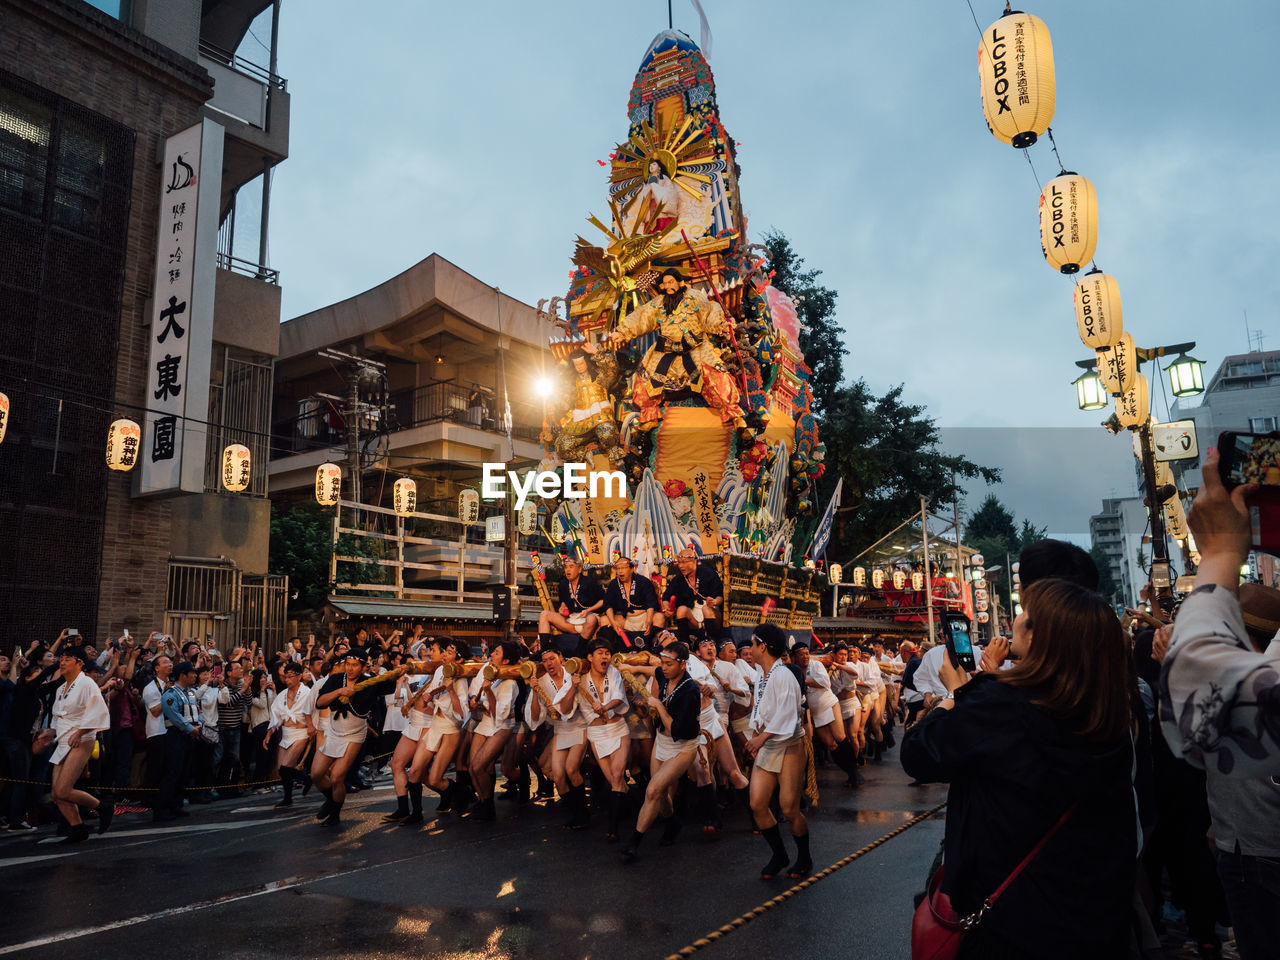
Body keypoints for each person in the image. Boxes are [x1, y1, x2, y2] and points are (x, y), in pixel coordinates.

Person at [901, 579, 1138, 959]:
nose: (1014, 619)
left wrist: (954, 695)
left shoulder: (1004, 704)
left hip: (1011, 916)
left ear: (1041, 636)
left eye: (1025, 613)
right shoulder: (1105, 706)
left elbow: (918, 755)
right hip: (1094, 907)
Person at [606, 269, 742, 430]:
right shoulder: (659, 302)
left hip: (695, 347)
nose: (668, 286)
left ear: (680, 282)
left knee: (716, 376)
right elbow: (643, 316)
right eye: (665, 283)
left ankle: (734, 415)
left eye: (671, 282)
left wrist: (721, 325)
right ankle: (649, 416)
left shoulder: (695, 297)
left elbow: (710, 314)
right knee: (644, 379)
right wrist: (623, 331)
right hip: (667, 350)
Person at [620, 641, 702, 862]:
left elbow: (676, 729)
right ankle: (673, 822)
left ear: (682, 665)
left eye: (668, 664)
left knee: (653, 790)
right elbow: (653, 669)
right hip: (662, 743)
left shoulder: (690, 691)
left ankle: (633, 843)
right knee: (662, 794)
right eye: (663, 663)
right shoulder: (663, 672)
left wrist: (659, 706)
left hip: (683, 746)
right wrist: (631, 668)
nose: (663, 668)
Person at [746, 624, 809, 879]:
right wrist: (755, 735)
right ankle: (780, 854)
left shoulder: (783, 675)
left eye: (752, 644)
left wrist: (760, 739)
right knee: (758, 803)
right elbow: (761, 710)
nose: (750, 649)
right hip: (768, 740)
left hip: (789, 743)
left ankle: (804, 857)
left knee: (789, 807)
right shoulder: (762, 674)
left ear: (763, 646)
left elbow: (788, 714)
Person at [49, 647, 113, 843]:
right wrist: (48, 733)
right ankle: (77, 828)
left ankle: (102, 806)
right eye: (62, 658)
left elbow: (98, 711)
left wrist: (81, 731)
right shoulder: (61, 688)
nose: (63, 662)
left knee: (63, 790)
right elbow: (58, 717)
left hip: (81, 739)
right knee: (56, 793)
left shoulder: (86, 683)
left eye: (68, 659)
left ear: (80, 663)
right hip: (63, 739)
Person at [311, 649, 379, 825]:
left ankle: (335, 814)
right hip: (334, 731)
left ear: (363, 667)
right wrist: (340, 692)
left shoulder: (368, 682)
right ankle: (331, 800)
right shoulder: (335, 680)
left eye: (355, 665)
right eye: (347, 664)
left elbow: (388, 685)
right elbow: (320, 702)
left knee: (336, 777)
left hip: (354, 734)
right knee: (316, 774)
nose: (350, 668)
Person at [577, 640, 631, 840]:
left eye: (608, 652)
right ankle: (630, 806)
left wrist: (605, 707)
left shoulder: (614, 673)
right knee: (615, 782)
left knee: (617, 776)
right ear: (590, 657)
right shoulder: (580, 680)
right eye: (600, 653)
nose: (605, 656)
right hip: (597, 734)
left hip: (617, 729)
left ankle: (612, 829)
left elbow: (618, 697)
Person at [467, 641, 520, 822]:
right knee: (472, 767)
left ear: (505, 660)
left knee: (478, 766)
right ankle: (483, 801)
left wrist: (488, 692)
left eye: (496, 653)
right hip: (486, 721)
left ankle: (489, 806)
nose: (491, 655)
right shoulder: (488, 670)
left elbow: (499, 714)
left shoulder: (510, 683)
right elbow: (475, 691)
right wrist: (475, 701)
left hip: (501, 725)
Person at [155, 662, 202, 821]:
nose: (195, 676)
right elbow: (173, 715)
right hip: (176, 736)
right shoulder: (171, 693)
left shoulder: (191, 693)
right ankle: (162, 808)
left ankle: (176, 805)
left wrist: (199, 725)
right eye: (192, 673)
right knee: (172, 772)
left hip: (190, 736)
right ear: (183, 675)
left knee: (184, 772)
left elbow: (197, 711)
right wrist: (190, 729)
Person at [266, 662, 314, 808]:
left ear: (299, 677)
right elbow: (275, 717)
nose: (287, 680)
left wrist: (312, 727)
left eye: (291, 676)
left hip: (301, 733)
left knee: (287, 767)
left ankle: (304, 781)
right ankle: (291, 796)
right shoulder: (281, 696)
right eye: (286, 677)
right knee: (281, 769)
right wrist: (268, 734)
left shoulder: (307, 693)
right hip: (286, 733)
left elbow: (313, 712)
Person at [538, 556, 605, 655]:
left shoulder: (589, 582)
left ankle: (580, 650)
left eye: (571, 566)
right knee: (544, 614)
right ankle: (544, 651)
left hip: (587, 621)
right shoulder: (563, 584)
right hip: (571, 621)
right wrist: (562, 609)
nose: (568, 570)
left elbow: (603, 600)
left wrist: (588, 611)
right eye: (566, 567)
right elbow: (563, 603)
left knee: (591, 619)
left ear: (579, 569)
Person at [664, 547, 724, 642]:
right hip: (692, 618)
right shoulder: (678, 579)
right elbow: (666, 597)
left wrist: (714, 601)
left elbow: (720, 596)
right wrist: (666, 608)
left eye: (684, 562)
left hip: (710, 614)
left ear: (694, 561)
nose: (680, 566)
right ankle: (685, 644)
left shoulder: (708, 573)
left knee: (706, 609)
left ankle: (712, 642)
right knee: (681, 610)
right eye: (679, 562)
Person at [603, 557, 661, 651]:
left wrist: (649, 619)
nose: (620, 571)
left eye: (624, 568)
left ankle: (655, 650)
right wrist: (613, 622)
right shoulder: (614, 584)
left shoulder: (643, 581)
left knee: (659, 617)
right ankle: (612, 653)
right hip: (624, 618)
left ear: (632, 569)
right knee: (605, 620)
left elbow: (650, 603)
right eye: (618, 569)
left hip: (643, 616)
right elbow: (607, 604)